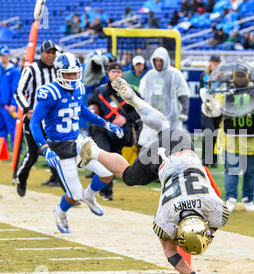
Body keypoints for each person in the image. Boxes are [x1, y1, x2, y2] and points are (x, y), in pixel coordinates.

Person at [79, 77, 229, 274]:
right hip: (161, 160)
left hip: (182, 144)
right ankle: (93, 151)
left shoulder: (213, 208)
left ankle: (137, 102)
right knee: (129, 176)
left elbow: (217, 220)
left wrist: (207, 233)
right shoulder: (168, 215)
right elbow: (170, 252)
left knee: (165, 128)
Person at [29, 52, 124, 234]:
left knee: (106, 174)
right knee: (74, 195)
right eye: (68, 74)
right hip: (59, 146)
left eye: (75, 73)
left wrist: (107, 124)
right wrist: (45, 148)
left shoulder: (79, 88)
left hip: (78, 140)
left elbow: (83, 112)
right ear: (58, 73)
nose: (72, 78)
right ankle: (60, 211)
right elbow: (34, 123)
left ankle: (90, 196)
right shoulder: (49, 93)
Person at [202, 61, 254, 213]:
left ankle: (248, 199)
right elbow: (215, 110)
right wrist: (209, 104)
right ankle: (230, 198)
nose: (239, 78)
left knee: (251, 171)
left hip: (252, 138)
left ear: (248, 76)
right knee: (231, 169)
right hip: (232, 137)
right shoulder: (226, 91)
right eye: (237, 75)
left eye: (242, 75)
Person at [14, 40, 63, 196]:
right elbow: (19, 92)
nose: (51, 56)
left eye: (53, 53)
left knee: (59, 153)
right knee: (33, 155)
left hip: (53, 120)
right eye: (48, 52)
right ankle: (21, 178)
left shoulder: (58, 70)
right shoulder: (31, 70)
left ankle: (68, 191)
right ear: (41, 53)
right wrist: (28, 109)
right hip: (34, 119)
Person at [86, 62, 140, 201]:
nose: (116, 75)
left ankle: (107, 191)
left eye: (119, 72)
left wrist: (126, 118)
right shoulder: (100, 91)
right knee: (105, 156)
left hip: (120, 132)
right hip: (102, 129)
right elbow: (90, 106)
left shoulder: (130, 92)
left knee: (115, 158)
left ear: (123, 74)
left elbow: (141, 111)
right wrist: (94, 111)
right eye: (113, 72)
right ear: (107, 74)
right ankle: (106, 191)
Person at [138, 47, 190, 147]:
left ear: (166, 60)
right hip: (152, 116)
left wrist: (184, 112)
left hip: (171, 116)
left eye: (161, 60)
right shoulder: (149, 75)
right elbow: (142, 96)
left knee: (171, 145)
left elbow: (183, 93)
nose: (158, 63)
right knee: (151, 145)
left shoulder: (175, 74)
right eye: (156, 60)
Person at [199, 55, 221, 167]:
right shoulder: (204, 76)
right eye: (214, 62)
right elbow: (201, 91)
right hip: (207, 108)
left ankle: (214, 159)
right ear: (210, 63)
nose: (216, 64)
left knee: (216, 134)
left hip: (218, 109)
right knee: (208, 133)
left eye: (217, 62)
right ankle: (206, 159)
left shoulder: (222, 76)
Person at [0, 46, 21, 149]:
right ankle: (2, 153)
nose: (4, 58)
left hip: (10, 106)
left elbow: (16, 88)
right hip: (1, 105)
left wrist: (13, 104)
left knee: (13, 130)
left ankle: (16, 152)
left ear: (9, 56)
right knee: (0, 129)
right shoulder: (0, 69)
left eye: (5, 56)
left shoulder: (14, 71)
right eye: (2, 56)